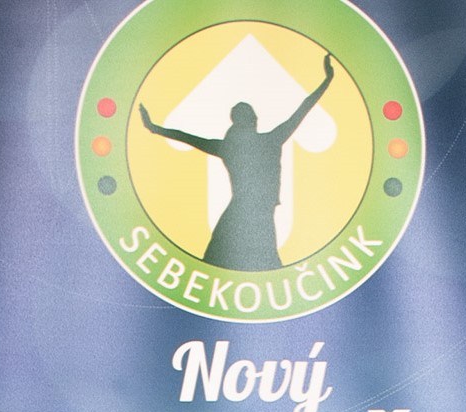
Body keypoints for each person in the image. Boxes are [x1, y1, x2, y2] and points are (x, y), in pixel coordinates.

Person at [138, 53, 334, 271]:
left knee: (246, 258)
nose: (254, 118)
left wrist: (155, 128)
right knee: (240, 257)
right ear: (248, 121)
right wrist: (155, 128)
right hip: (254, 210)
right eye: (250, 116)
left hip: (254, 210)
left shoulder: (237, 145)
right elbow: (302, 110)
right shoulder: (265, 141)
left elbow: (187, 138)